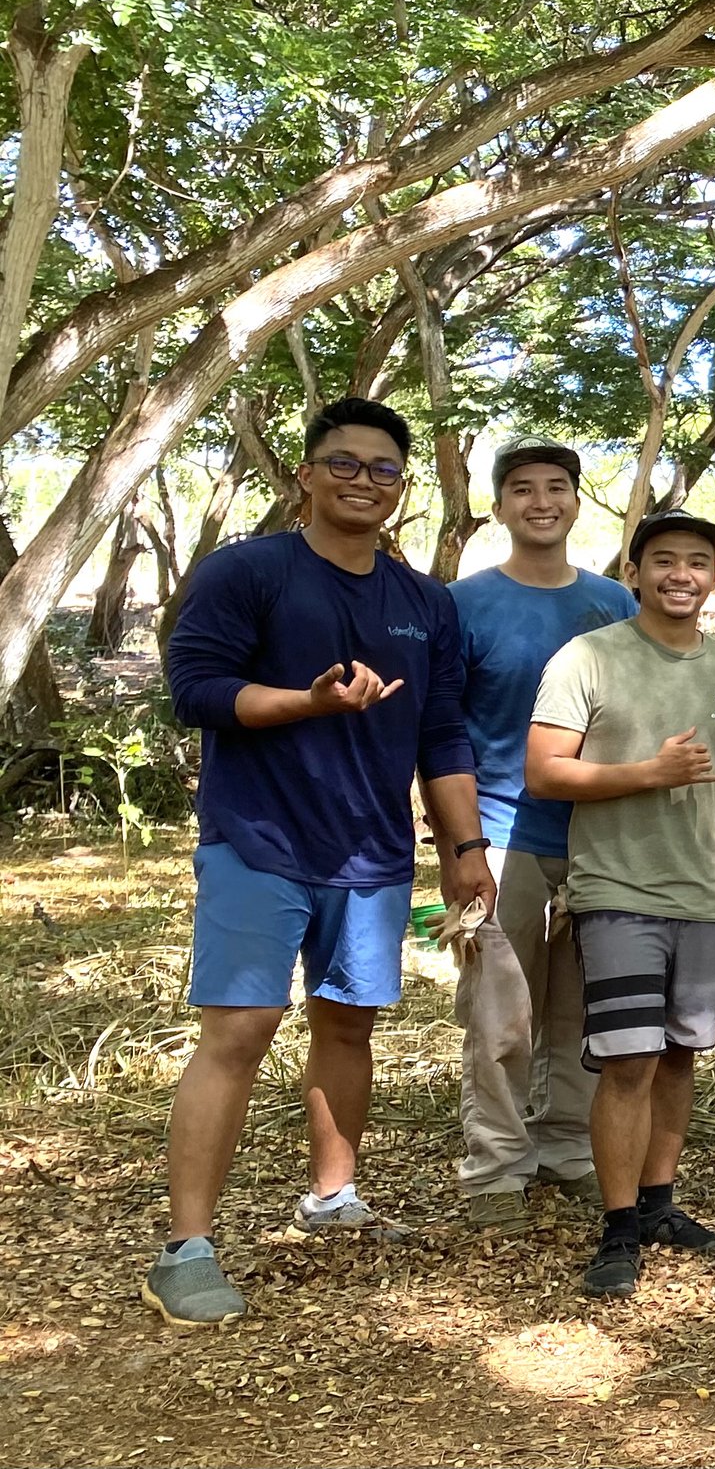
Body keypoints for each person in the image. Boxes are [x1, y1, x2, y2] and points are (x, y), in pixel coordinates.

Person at [152, 397, 487, 1327]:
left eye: (383, 470)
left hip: (373, 852)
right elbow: (196, 690)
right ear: (304, 473)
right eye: (343, 463)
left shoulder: (424, 603)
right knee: (241, 1029)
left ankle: (333, 1195)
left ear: (401, 487)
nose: (363, 482)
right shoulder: (248, 572)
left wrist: (465, 848)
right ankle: (186, 1248)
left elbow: (442, 732)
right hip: (258, 840)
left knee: (347, 1027)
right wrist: (304, 702)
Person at [525, 510, 715, 1298]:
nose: (681, 574)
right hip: (617, 889)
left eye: (696, 561)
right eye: (663, 560)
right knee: (627, 1056)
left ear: (713, 575)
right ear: (634, 572)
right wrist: (647, 773)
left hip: (704, 893)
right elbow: (544, 771)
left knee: (677, 1053)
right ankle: (618, 1223)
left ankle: (662, 1202)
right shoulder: (589, 658)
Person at [449, 439, 636, 1232]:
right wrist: (455, 845)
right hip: (498, 830)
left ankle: (568, 1149)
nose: (540, 501)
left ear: (577, 500)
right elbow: (440, 730)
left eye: (556, 487)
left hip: (599, 832)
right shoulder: (462, 603)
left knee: (586, 1006)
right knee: (500, 1008)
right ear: (498, 507)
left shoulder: (612, 603)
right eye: (521, 488)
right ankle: (495, 1165)